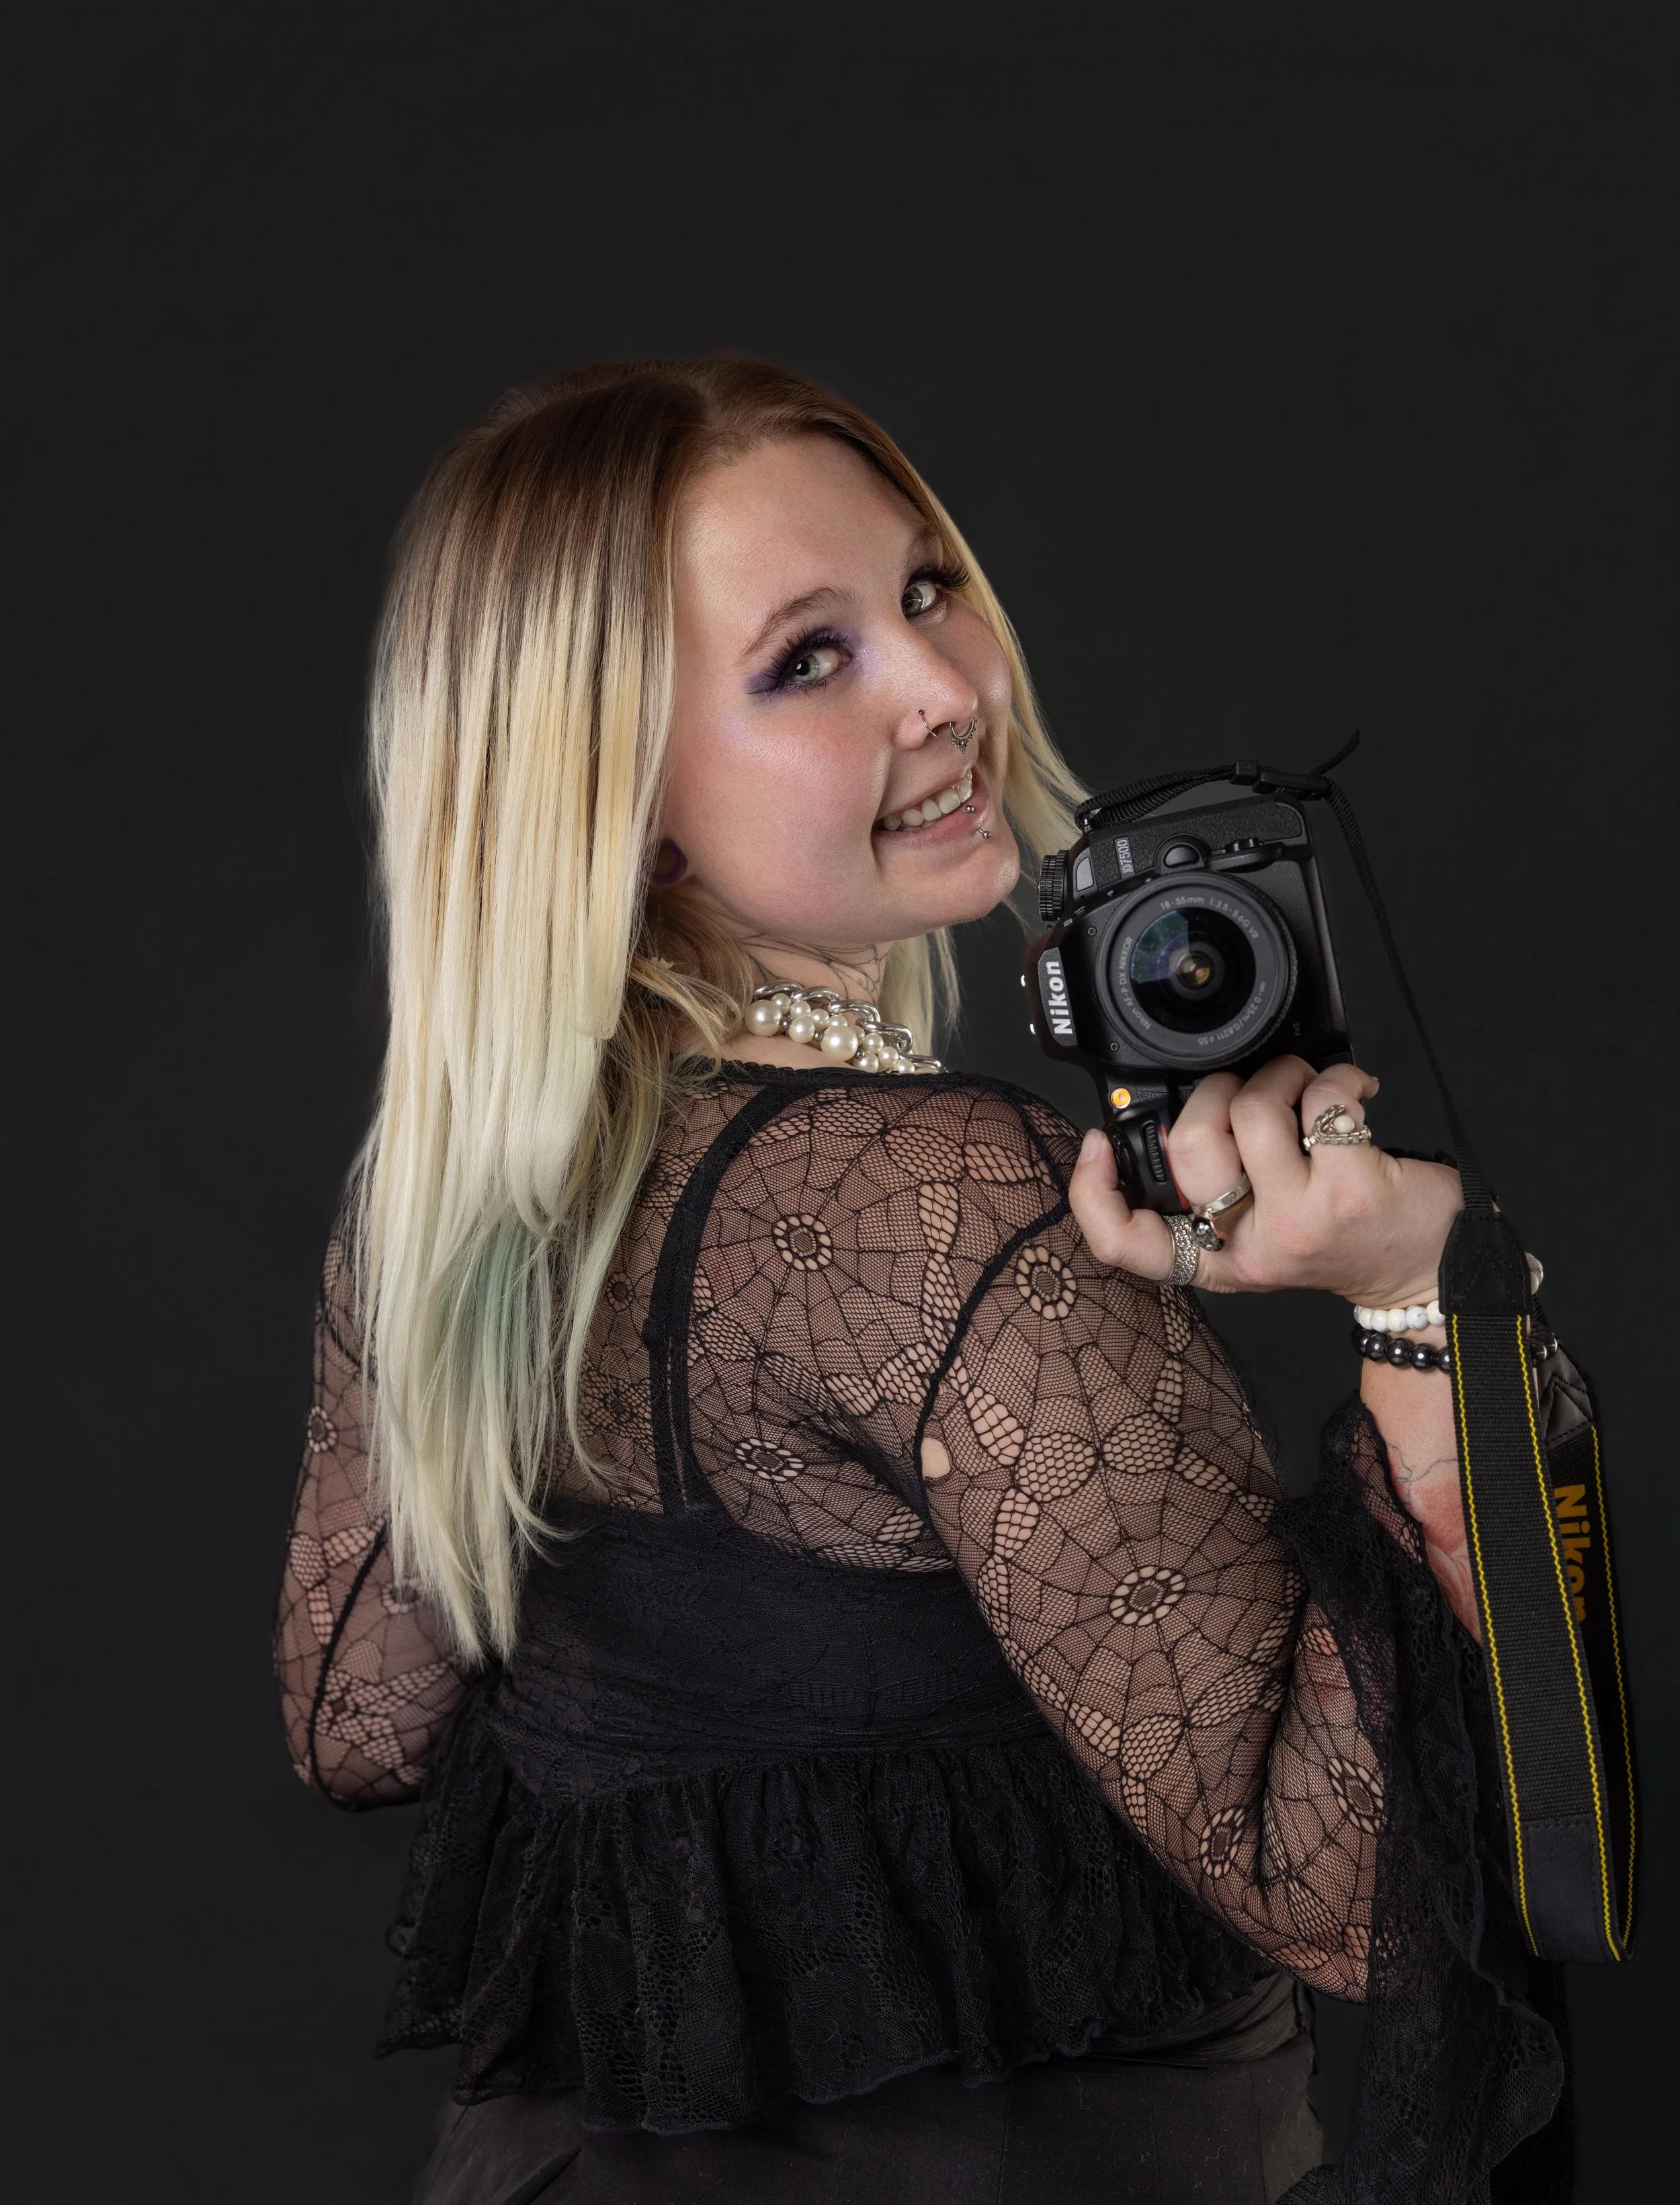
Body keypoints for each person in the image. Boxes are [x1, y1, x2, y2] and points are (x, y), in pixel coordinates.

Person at [276, 358, 1565, 2204]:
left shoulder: (448, 1203)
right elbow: (1355, 1897)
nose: (948, 688)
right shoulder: (939, 1207)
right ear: (606, 784)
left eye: (923, 588)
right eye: (808, 661)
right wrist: (1415, 1298)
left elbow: (357, 1721)